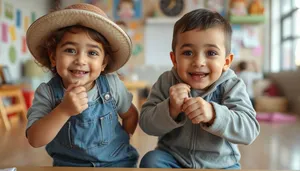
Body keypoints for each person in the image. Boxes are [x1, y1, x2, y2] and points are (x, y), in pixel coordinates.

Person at [139, 9, 260, 169]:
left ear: (226, 61)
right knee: (151, 161)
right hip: (173, 158)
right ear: (174, 59)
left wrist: (214, 115)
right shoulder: (167, 81)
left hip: (221, 163)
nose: (199, 62)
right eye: (188, 52)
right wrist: (170, 108)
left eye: (211, 53)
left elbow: (249, 131)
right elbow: (146, 123)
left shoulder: (232, 85)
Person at [25, 3, 139, 167]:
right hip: (69, 166)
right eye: (70, 50)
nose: (81, 60)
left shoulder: (112, 85)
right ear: (53, 57)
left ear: (103, 63)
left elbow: (130, 115)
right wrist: (63, 110)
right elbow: (35, 140)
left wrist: (124, 139)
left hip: (117, 162)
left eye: (92, 53)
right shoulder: (47, 92)